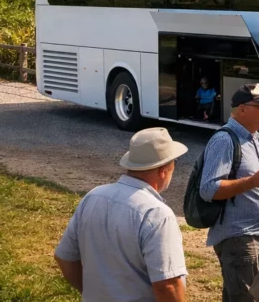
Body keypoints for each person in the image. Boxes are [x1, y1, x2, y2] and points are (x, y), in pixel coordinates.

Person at [55, 127, 189, 301]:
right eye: (174, 162)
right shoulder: (156, 214)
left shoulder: (93, 196)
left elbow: (64, 257)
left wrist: (90, 292)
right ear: (163, 170)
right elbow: (167, 285)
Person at [200, 83, 259, 301]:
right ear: (242, 109)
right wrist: (252, 181)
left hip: (253, 237)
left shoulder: (251, 138)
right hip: (239, 238)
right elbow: (208, 189)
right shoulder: (224, 140)